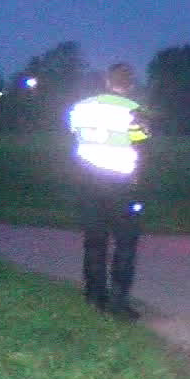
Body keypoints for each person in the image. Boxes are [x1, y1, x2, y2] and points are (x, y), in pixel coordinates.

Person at [67, 63, 150, 317]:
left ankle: (94, 294)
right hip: (120, 184)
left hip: (88, 180)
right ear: (131, 84)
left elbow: (74, 136)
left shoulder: (80, 108)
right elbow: (141, 148)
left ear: (106, 81)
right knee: (125, 243)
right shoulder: (134, 111)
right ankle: (118, 301)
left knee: (94, 240)